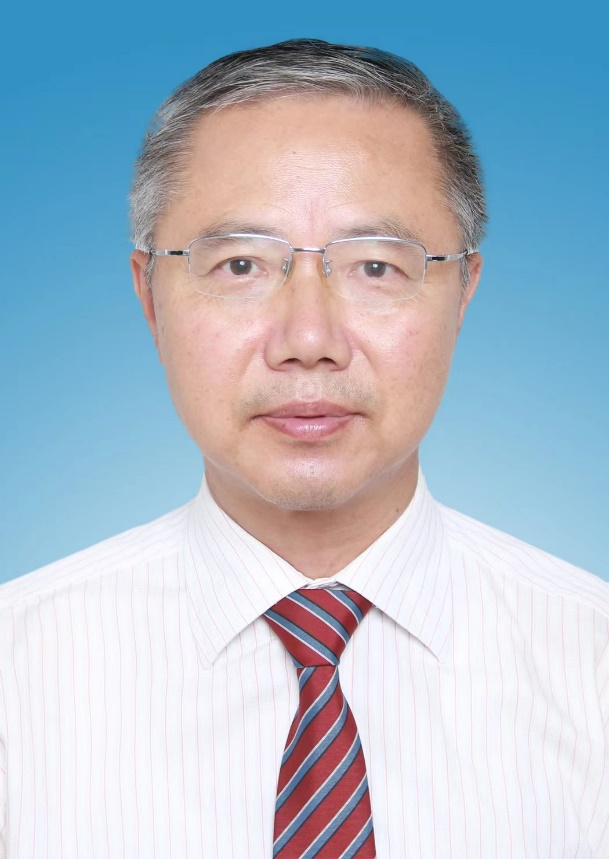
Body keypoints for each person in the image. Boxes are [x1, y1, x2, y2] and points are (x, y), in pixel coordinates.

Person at [0, 38, 607, 859]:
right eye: (240, 264)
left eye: (376, 267)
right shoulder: (16, 676)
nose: (309, 339)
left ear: (463, 290)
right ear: (149, 294)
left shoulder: (591, 664)